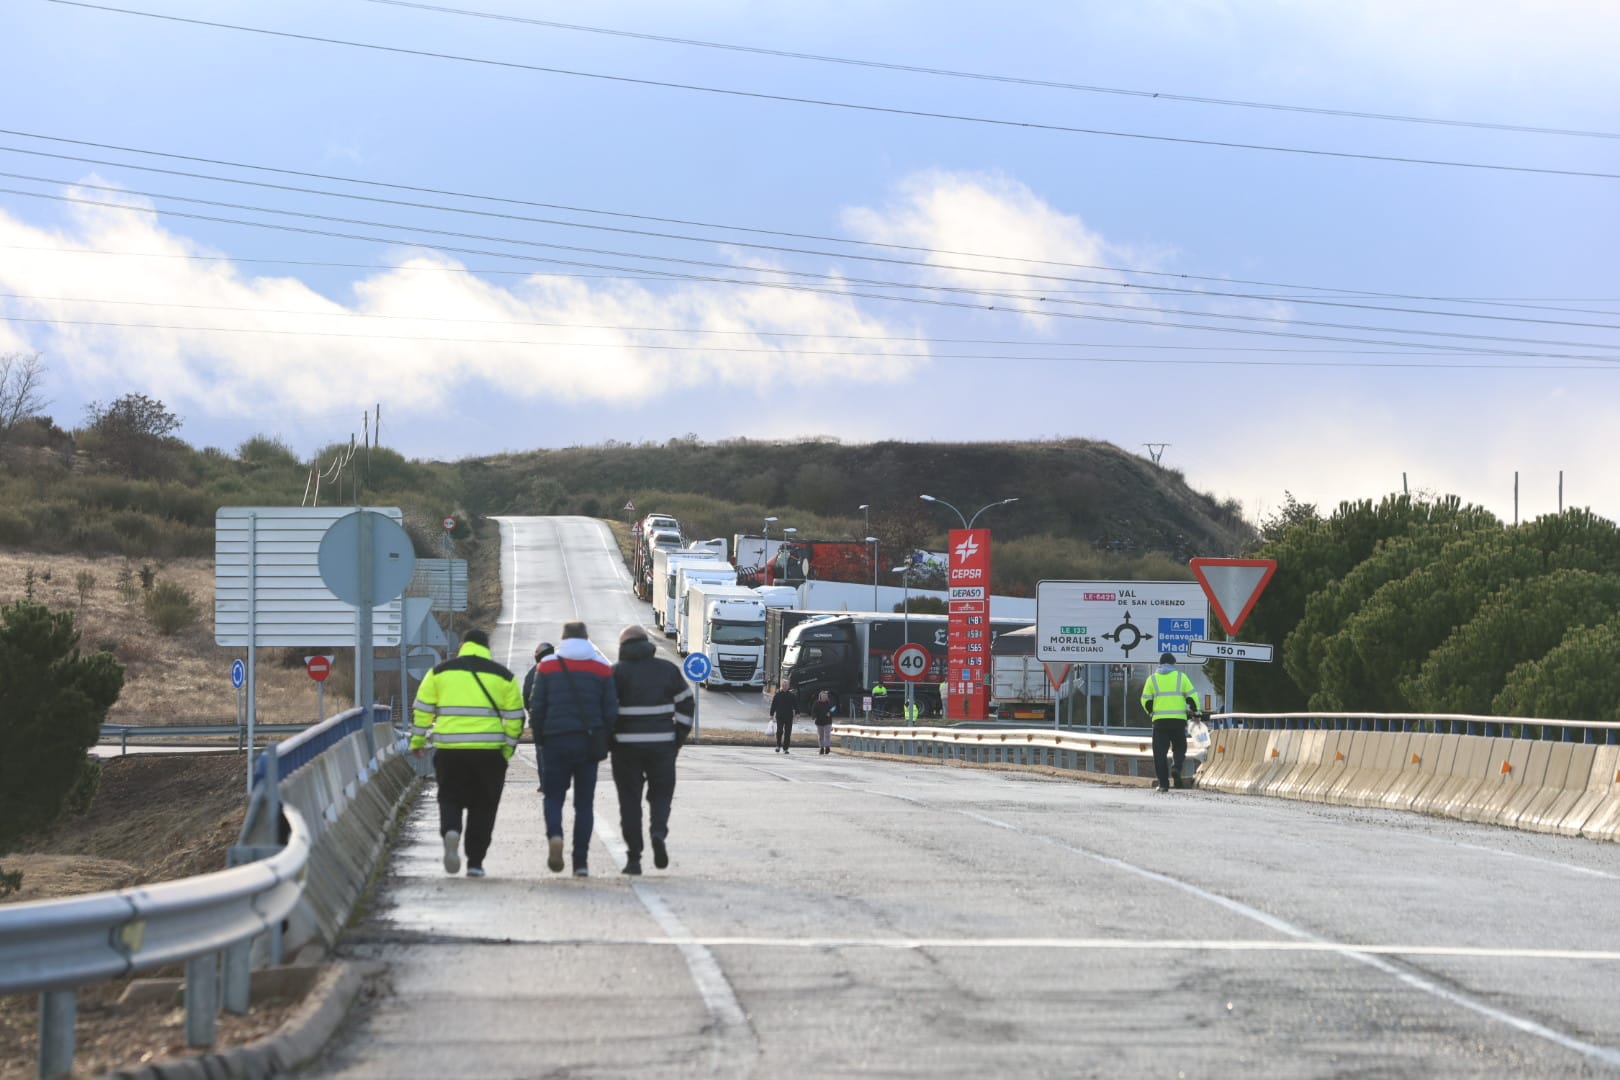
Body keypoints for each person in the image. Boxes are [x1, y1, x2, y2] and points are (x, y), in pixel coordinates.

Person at [409, 629, 526, 878]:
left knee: (449, 796)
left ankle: (451, 830)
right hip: (489, 753)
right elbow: (517, 717)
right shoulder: (503, 676)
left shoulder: (440, 672)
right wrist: (506, 749)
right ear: (487, 647)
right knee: (484, 806)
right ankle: (475, 862)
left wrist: (418, 740)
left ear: (462, 645)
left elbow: (422, 708)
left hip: (450, 750)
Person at [528, 621, 617, 876]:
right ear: (587, 638)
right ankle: (581, 862)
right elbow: (611, 711)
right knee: (584, 804)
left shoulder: (547, 666)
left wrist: (541, 739)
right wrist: (604, 738)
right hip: (588, 745)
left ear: (563, 639)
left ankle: (555, 836)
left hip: (555, 742)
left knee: (554, 797)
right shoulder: (602, 668)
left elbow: (537, 708)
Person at [610, 624, 696, 875]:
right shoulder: (668, 670)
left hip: (625, 750)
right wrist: (676, 738)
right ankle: (658, 832)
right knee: (661, 795)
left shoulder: (615, 673)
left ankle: (634, 857)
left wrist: (610, 740)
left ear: (623, 646)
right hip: (662, 747)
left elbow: (604, 711)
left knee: (630, 802)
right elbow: (686, 704)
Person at [1140, 651, 1199, 792]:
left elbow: (1145, 700)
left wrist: (1151, 712)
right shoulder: (1181, 677)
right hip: (1178, 721)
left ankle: (1163, 784)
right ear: (1174, 664)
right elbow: (1192, 697)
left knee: (1159, 753)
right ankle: (1176, 767)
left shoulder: (1152, 679)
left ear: (1160, 664)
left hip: (1160, 722)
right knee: (1179, 748)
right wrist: (1196, 713)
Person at [524, 642, 555, 793]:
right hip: (560, 719)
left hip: (541, 720)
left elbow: (526, 695)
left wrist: (531, 713)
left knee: (541, 752)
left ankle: (545, 783)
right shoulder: (563, 668)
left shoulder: (533, 672)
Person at [769, 684, 797, 753]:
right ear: (782, 686)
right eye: (784, 685)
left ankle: (785, 748)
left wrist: (798, 713)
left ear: (788, 687)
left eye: (786, 685)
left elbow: (795, 705)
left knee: (788, 732)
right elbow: (773, 705)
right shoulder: (777, 695)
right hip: (780, 716)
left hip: (789, 717)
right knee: (779, 731)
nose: (785, 687)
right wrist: (771, 714)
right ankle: (778, 745)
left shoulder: (792, 695)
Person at [812, 689, 836, 754]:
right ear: (820, 696)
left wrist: (830, 713)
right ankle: (822, 748)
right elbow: (813, 711)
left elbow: (834, 708)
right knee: (821, 736)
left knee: (827, 735)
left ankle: (827, 747)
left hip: (828, 721)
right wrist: (814, 716)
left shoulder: (829, 702)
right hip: (819, 721)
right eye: (822, 696)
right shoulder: (816, 703)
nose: (824, 697)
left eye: (825, 696)